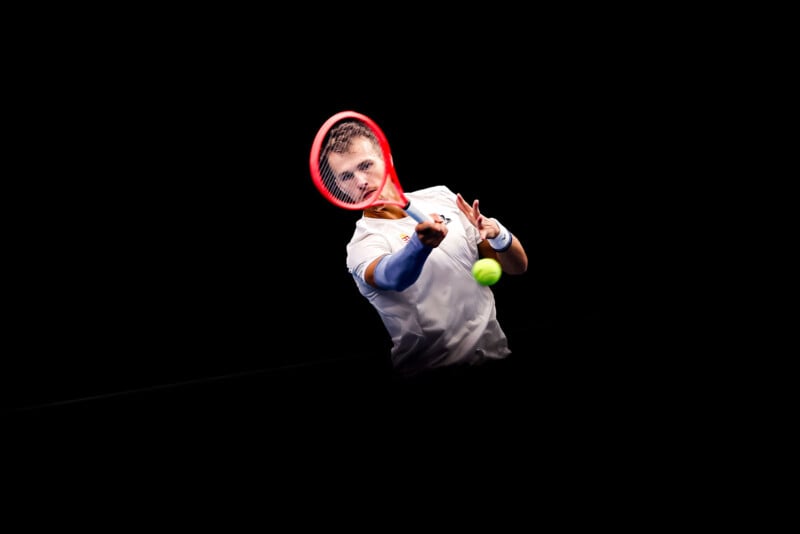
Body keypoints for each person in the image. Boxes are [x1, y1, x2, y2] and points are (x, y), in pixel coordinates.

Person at [322, 119, 528, 379]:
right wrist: (419, 246)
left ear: (387, 160)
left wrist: (497, 234)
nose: (360, 181)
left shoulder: (442, 197)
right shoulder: (362, 244)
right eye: (346, 176)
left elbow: (516, 267)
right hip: (431, 375)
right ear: (338, 186)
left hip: (498, 357)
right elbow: (392, 276)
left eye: (365, 165)